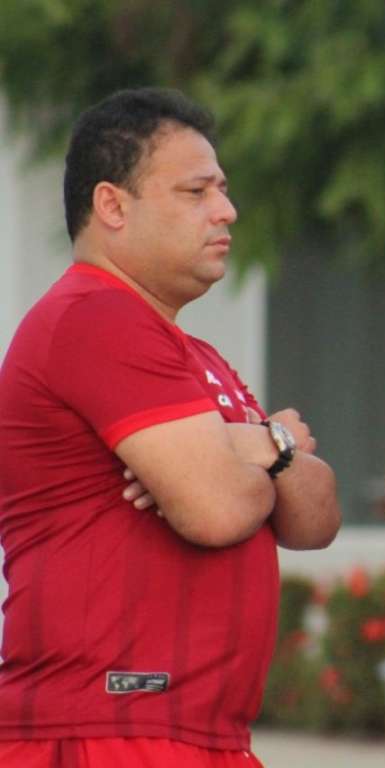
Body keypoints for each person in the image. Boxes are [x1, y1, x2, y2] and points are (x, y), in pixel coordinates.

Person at [0, 88, 341, 767]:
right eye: (196, 192)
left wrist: (251, 451)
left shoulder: (194, 354)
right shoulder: (96, 316)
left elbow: (314, 520)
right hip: (105, 727)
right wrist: (268, 445)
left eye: (222, 189)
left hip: (189, 734)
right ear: (112, 206)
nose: (227, 210)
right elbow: (215, 510)